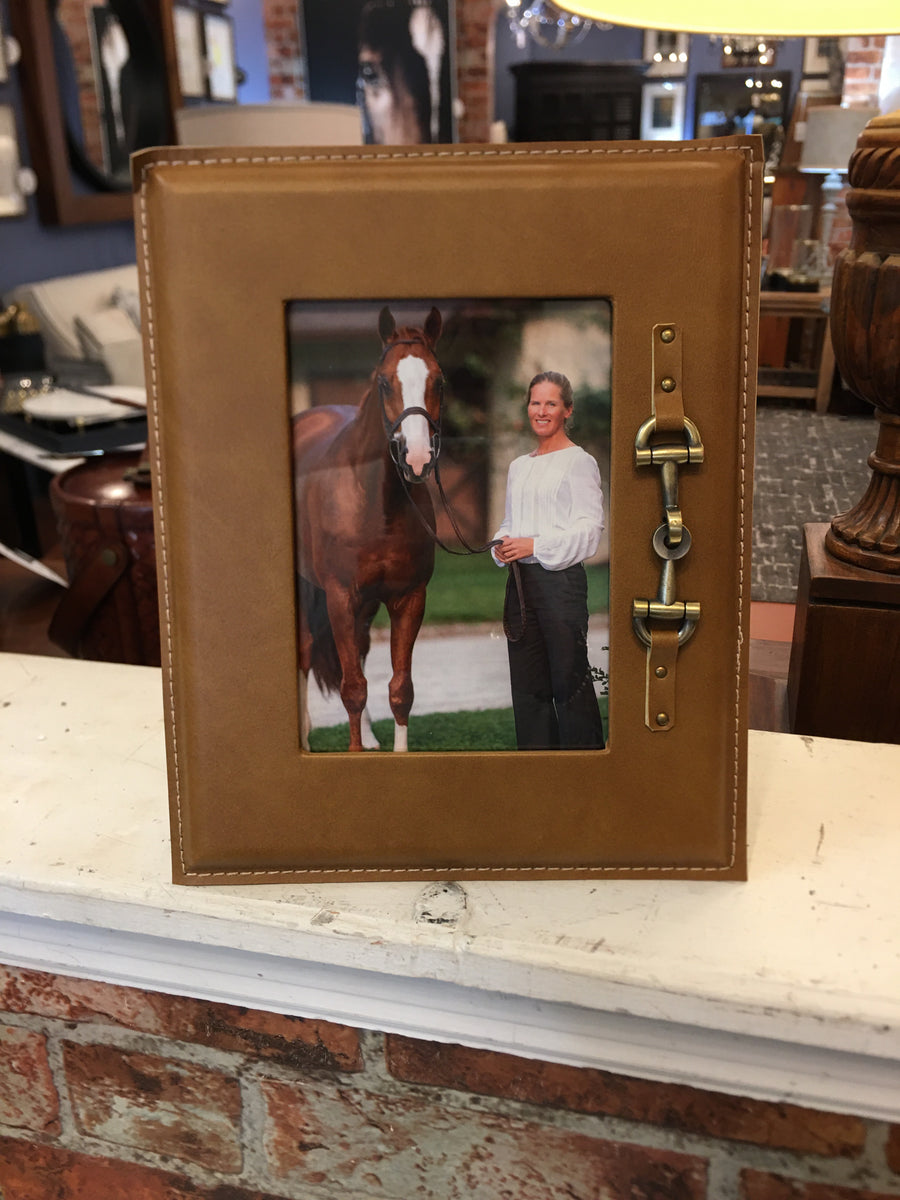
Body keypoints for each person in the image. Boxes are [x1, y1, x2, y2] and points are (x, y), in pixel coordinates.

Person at [492, 372, 606, 750]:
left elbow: (590, 530)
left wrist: (534, 546)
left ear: (566, 410)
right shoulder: (519, 467)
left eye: (551, 403)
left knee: (569, 685)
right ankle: (537, 775)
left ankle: (583, 773)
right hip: (521, 587)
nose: (541, 411)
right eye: (535, 403)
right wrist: (502, 543)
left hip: (561, 586)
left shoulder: (579, 462)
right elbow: (512, 523)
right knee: (528, 690)